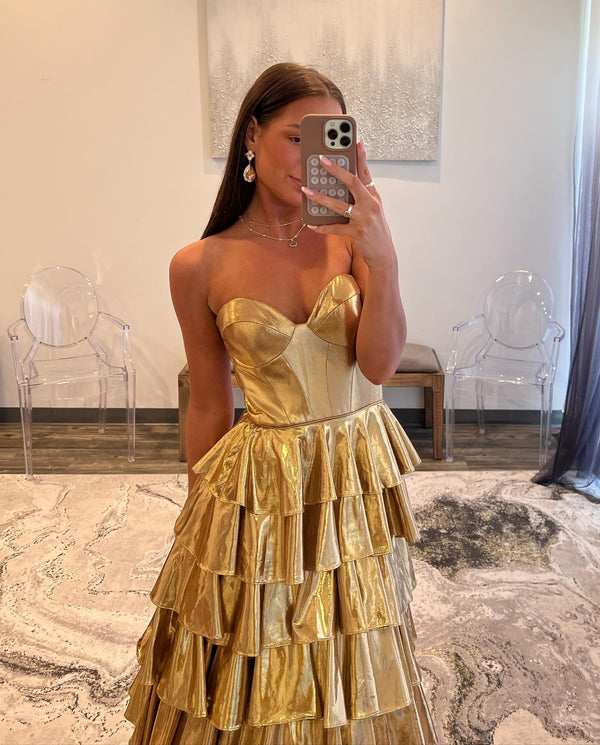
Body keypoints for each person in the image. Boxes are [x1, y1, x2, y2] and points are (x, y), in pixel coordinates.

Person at [125, 62, 438, 745]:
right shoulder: (198, 265)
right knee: (259, 642)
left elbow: (380, 365)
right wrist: (199, 521)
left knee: (354, 634)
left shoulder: (351, 239)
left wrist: (384, 260)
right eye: (296, 137)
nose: (310, 157)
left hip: (354, 470)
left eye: (328, 139)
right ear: (251, 136)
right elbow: (209, 403)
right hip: (263, 478)